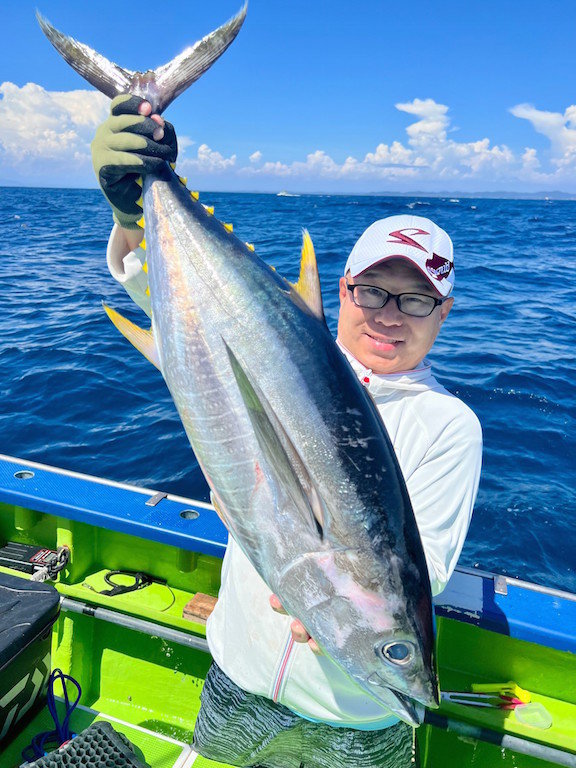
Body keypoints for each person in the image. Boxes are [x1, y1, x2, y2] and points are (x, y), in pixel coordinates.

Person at [92, 96, 483, 768]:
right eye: (374, 292)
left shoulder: (447, 424)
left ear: (442, 312)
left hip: (354, 720)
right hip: (238, 680)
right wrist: (135, 211)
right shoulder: (266, 328)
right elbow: (163, 296)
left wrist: (344, 621)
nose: (391, 315)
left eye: (416, 299)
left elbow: (426, 572)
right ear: (343, 289)